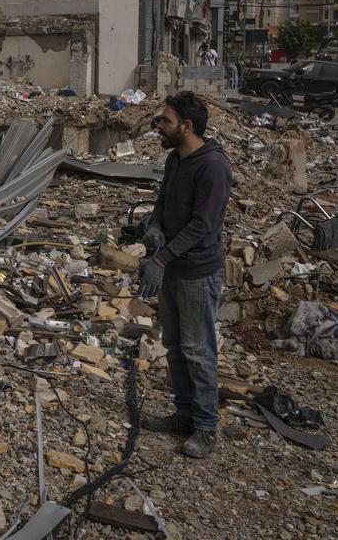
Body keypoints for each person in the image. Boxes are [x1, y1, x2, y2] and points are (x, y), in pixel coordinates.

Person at [137, 92, 232, 458]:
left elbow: (202, 226)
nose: (159, 126)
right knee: (175, 347)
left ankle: (206, 428)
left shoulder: (212, 167)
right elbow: (162, 201)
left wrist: (161, 260)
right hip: (172, 267)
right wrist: (155, 226)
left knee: (198, 350)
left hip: (197, 273)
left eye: (166, 120)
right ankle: (184, 414)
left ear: (187, 126)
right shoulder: (174, 158)